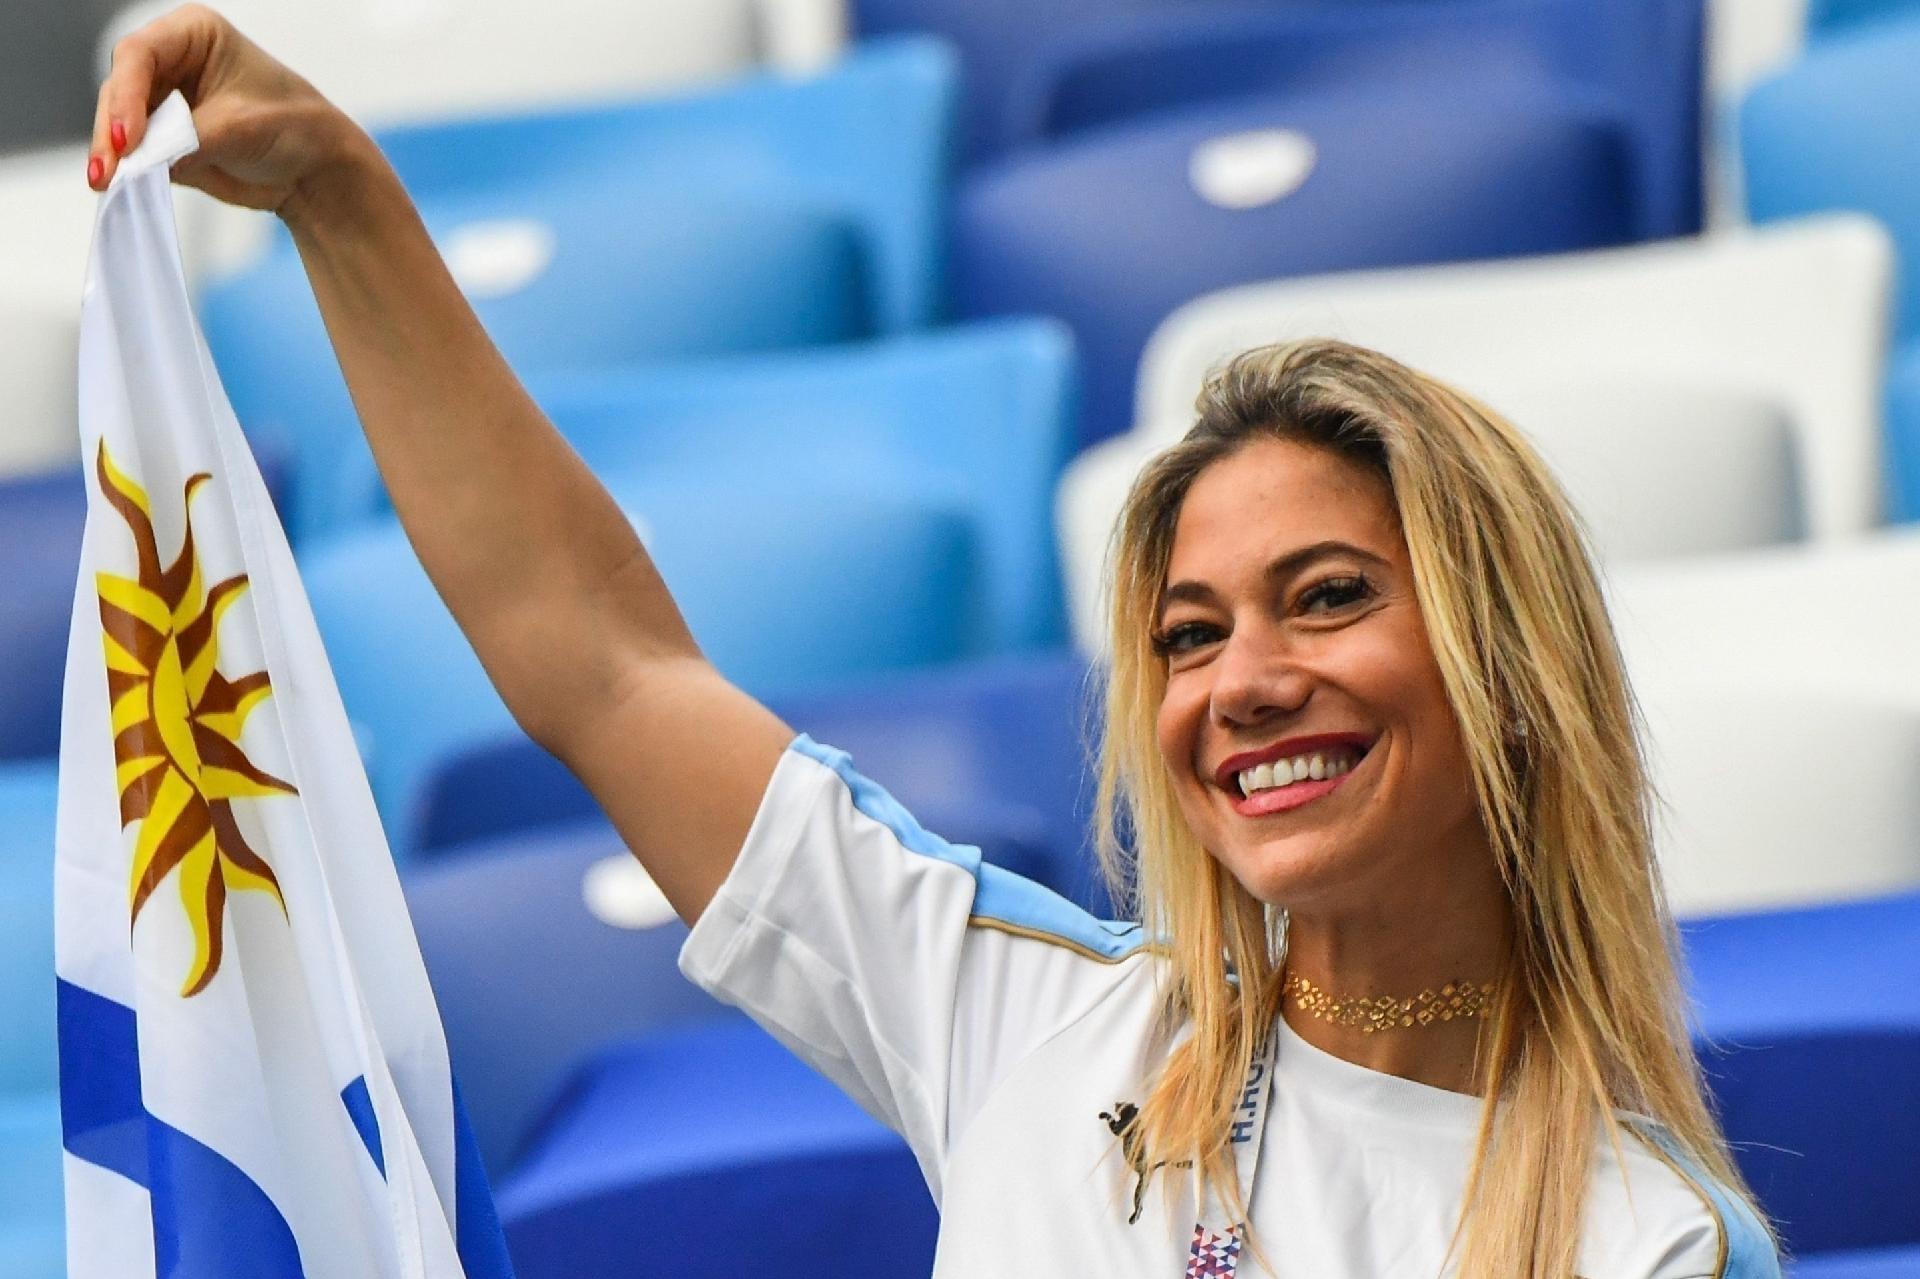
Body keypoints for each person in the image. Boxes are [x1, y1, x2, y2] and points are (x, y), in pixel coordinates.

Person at [89, 9, 1783, 1275]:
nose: (1243, 684)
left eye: (1329, 595)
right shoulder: (1039, 1020)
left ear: (1508, 659)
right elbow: (598, 659)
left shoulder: (1650, 1245)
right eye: (1186, 638)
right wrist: (339, 190)